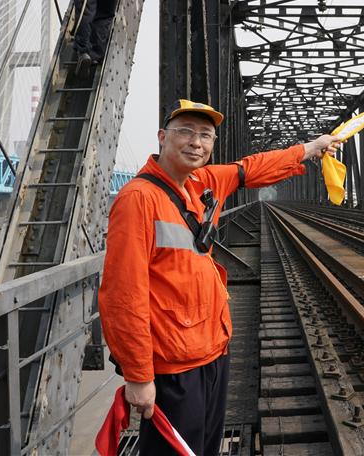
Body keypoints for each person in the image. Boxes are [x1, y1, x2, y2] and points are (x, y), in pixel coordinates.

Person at [98, 99, 341, 456]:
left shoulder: (203, 182)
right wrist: (138, 375)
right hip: (174, 363)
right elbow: (123, 295)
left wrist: (310, 149)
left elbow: (251, 168)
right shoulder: (138, 199)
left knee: (204, 448)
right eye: (185, 132)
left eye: (206, 135)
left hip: (213, 350)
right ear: (162, 137)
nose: (196, 142)